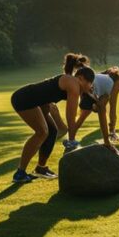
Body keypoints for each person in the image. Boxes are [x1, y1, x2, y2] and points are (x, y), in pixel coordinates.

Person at [10, 54, 101, 183]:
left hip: (36, 102)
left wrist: (93, 97)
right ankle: (20, 173)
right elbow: (71, 114)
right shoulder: (73, 84)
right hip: (24, 99)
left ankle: (41, 168)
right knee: (42, 132)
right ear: (81, 78)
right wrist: (72, 139)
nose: (90, 87)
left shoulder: (74, 83)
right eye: (90, 84)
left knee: (52, 131)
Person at [68, 67, 119, 145]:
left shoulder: (104, 80)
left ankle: (70, 139)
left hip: (89, 90)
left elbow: (101, 105)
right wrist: (112, 131)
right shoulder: (112, 85)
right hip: (89, 90)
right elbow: (112, 108)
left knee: (84, 115)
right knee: (91, 113)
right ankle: (71, 140)